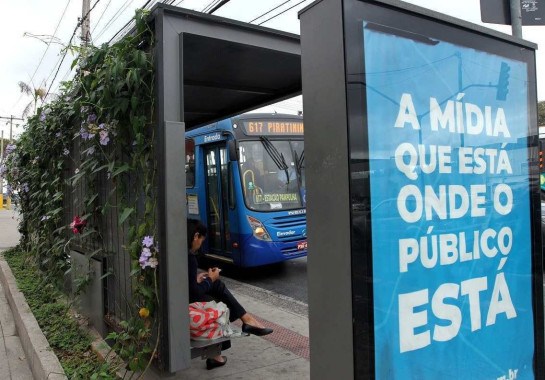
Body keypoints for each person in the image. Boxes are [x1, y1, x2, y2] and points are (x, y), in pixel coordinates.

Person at [187, 219, 273, 370]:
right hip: (185, 302)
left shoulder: (181, 255)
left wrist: (198, 279)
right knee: (217, 301)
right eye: (201, 240)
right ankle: (246, 321)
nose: (201, 244)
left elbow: (187, 285)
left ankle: (245, 322)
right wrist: (210, 280)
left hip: (179, 297)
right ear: (195, 236)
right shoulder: (190, 259)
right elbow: (194, 293)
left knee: (216, 288)